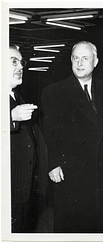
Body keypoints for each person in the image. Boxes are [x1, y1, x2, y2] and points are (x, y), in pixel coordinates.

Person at [41, 40, 103, 232]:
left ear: (95, 62)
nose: (79, 63)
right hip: (71, 172)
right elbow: (49, 132)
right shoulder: (54, 92)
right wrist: (53, 164)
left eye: (85, 58)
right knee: (73, 226)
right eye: (75, 58)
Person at [9, 45, 48, 232]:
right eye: (13, 62)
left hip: (21, 190)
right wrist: (10, 117)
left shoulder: (17, 97)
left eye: (21, 62)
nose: (20, 67)